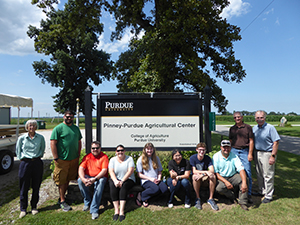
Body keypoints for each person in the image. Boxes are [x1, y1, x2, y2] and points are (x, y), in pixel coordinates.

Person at [50, 110, 82, 212]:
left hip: (73, 159)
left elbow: (79, 141)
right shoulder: (58, 128)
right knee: (61, 180)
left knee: (68, 179)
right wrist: (56, 157)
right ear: (64, 116)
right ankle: (62, 200)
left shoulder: (76, 129)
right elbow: (53, 143)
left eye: (71, 117)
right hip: (62, 159)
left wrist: (78, 154)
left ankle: (63, 197)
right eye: (68, 117)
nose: (69, 118)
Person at [16, 120, 45, 218]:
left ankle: (34, 207)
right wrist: (22, 159)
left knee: (36, 185)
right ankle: (23, 209)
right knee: (24, 186)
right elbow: (18, 150)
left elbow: (42, 149)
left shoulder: (40, 138)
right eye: (30, 126)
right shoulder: (22, 138)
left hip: (37, 162)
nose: (32, 127)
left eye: (33, 126)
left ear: (36, 127)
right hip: (25, 163)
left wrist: (37, 157)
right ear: (27, 127)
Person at [253, 110, 280, 203]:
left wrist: (273, 156)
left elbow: (276, 142)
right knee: (259, 173)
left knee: (268, 175)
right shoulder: (254, 128)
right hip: (257, 153)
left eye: (261, 117)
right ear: (255, 118)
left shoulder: (270, 128)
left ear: (265, 118)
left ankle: (269, 195)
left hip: (267, 153)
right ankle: (261, 191)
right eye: (257, 118)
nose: (259, 119)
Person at [213, 140, 249, 210]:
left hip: (233, 176)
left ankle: (243, 202)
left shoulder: (234, 156)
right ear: (221, 147)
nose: (226, 149)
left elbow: (241, 169)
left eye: (228, 147)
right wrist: (226, 182)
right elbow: (216, 173)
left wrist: (244, 183)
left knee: (244, 179)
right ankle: (232, 196)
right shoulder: (216, 156)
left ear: (230, 148)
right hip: (221, 177)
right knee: (219, 188)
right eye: (224, 147)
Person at [77, 141, 108, 220]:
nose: (95, 150)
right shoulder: (87, 157)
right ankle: (87, 201)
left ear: (100, 148)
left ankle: (94, 209)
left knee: (100, 183)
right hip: (88, 176)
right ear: (91, 149)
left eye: (97, 148)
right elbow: (81, 168)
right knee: (80, 181)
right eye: (93, 148)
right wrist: (84, 179)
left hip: (100, 177)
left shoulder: (104, 157)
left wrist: (95, 179)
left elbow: (104, 171)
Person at [229, 111, 254, 203]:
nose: (237, 119)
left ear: (242, 117)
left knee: (247, 172)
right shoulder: (232, 129)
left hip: (244, 151)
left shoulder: (248, 127)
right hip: (234, 150)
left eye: (239, 117)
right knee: (235, 172)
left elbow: (251, 141)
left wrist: (250, 153)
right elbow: (230, 141)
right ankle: (237, 192)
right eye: (235, 117)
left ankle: (248, 194)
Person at [108, 145, 135, 222]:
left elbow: (130, 171)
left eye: (122, 150)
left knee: (124, 186)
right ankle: (116, 211)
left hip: (128, 179)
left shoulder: (129, 159)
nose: (120, 152)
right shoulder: (112, 160)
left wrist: (122, 181)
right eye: (118, 151)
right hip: (116, 179)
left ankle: (122, 211)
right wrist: (116, 181)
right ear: (116, 152)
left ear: (124, 151)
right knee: (112, 185)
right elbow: (111, 171)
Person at [136, 142, 168, 207]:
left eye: (151, 149)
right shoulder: (140, 159)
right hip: (146, 180)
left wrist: (159, 179)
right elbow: (139, 174)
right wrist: (150, 179)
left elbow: (159, 171)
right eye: (148, 149)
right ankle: (142, 196)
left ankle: (149, 198)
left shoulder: (156, 158)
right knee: (155, 189)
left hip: (156, 179)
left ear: (153, 149)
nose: (149, 150)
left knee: (165, 189)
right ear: (145, 150)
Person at [190, 142, 219, 211]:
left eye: (203, 150)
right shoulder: (193, 158)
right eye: (200, 149)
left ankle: (210, 198)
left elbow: (211, 170)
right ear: (197, 150)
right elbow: (194, 171)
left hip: (204, 176)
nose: (202, 151)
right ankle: (197, 198)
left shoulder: (207, 158)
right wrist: (205, 172)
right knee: (195, 177)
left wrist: (203, 174)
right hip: (197, 176)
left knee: (212, 176)